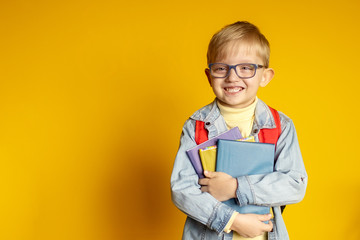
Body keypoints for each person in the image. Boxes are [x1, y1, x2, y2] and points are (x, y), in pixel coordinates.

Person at [170, 21, 307, 240]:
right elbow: (182, 190)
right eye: (221, 68)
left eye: (246, 68)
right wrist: (233, 221)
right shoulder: (195, 126)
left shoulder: (280, 125)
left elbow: (294, 185)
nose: (232, 77)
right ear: (209, 76)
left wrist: (235, 187)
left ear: (265, 76)